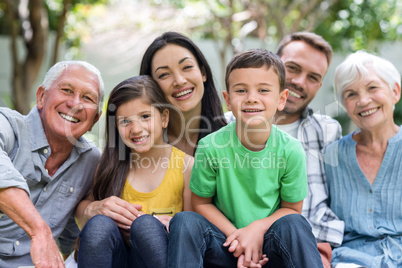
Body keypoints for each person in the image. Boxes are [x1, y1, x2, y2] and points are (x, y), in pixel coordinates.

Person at [168, 49, 324, 267]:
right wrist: (238, 236)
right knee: (185, 221)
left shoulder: (291, 150)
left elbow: (291, 209)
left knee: (295, 224)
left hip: (269, 244)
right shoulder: (210, 146)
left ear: (281, 99)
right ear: (228, 100)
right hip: (225, 242)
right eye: (241, 90)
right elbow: (200, 203)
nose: (252, 98)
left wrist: (256, 230)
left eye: (263, 90)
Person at [226, 32, 344, 267]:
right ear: (274, 63)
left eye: (313, 77)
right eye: (293, 68)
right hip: (238, 245)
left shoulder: (328, 131)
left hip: (307, 244)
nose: (300, 82)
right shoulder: (225, 127)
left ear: (320, 85)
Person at [75, 75, 194, 267]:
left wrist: (175, 226)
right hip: (117, 259)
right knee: (98, 225)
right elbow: (82, 214)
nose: (136, 129)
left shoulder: (186, 167)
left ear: (164, 118)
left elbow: (195, 232)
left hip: (161, 259)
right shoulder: (109, 165)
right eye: (125, 121)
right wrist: (94, 208)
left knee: (146, 227)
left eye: (145, 117)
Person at [0, 61, 103, 267]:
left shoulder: (91, 162)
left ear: (95, 120)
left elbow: (72, 239)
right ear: (41, 97)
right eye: (66, 90)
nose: (75, 103)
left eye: (87, 97)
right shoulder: (7, 126)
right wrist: (40, 231)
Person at [324, 51, 402, 267]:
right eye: (351, 94)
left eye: (372, 88)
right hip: (351, 260)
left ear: (395, 92)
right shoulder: (332, 156)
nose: (363, 100)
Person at [140, 31, 227, 156]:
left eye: (187, 67)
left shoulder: (235, 133)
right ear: (151, 86)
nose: (179, 81)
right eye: (164, 74)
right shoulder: (140, 145)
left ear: (203, 73)